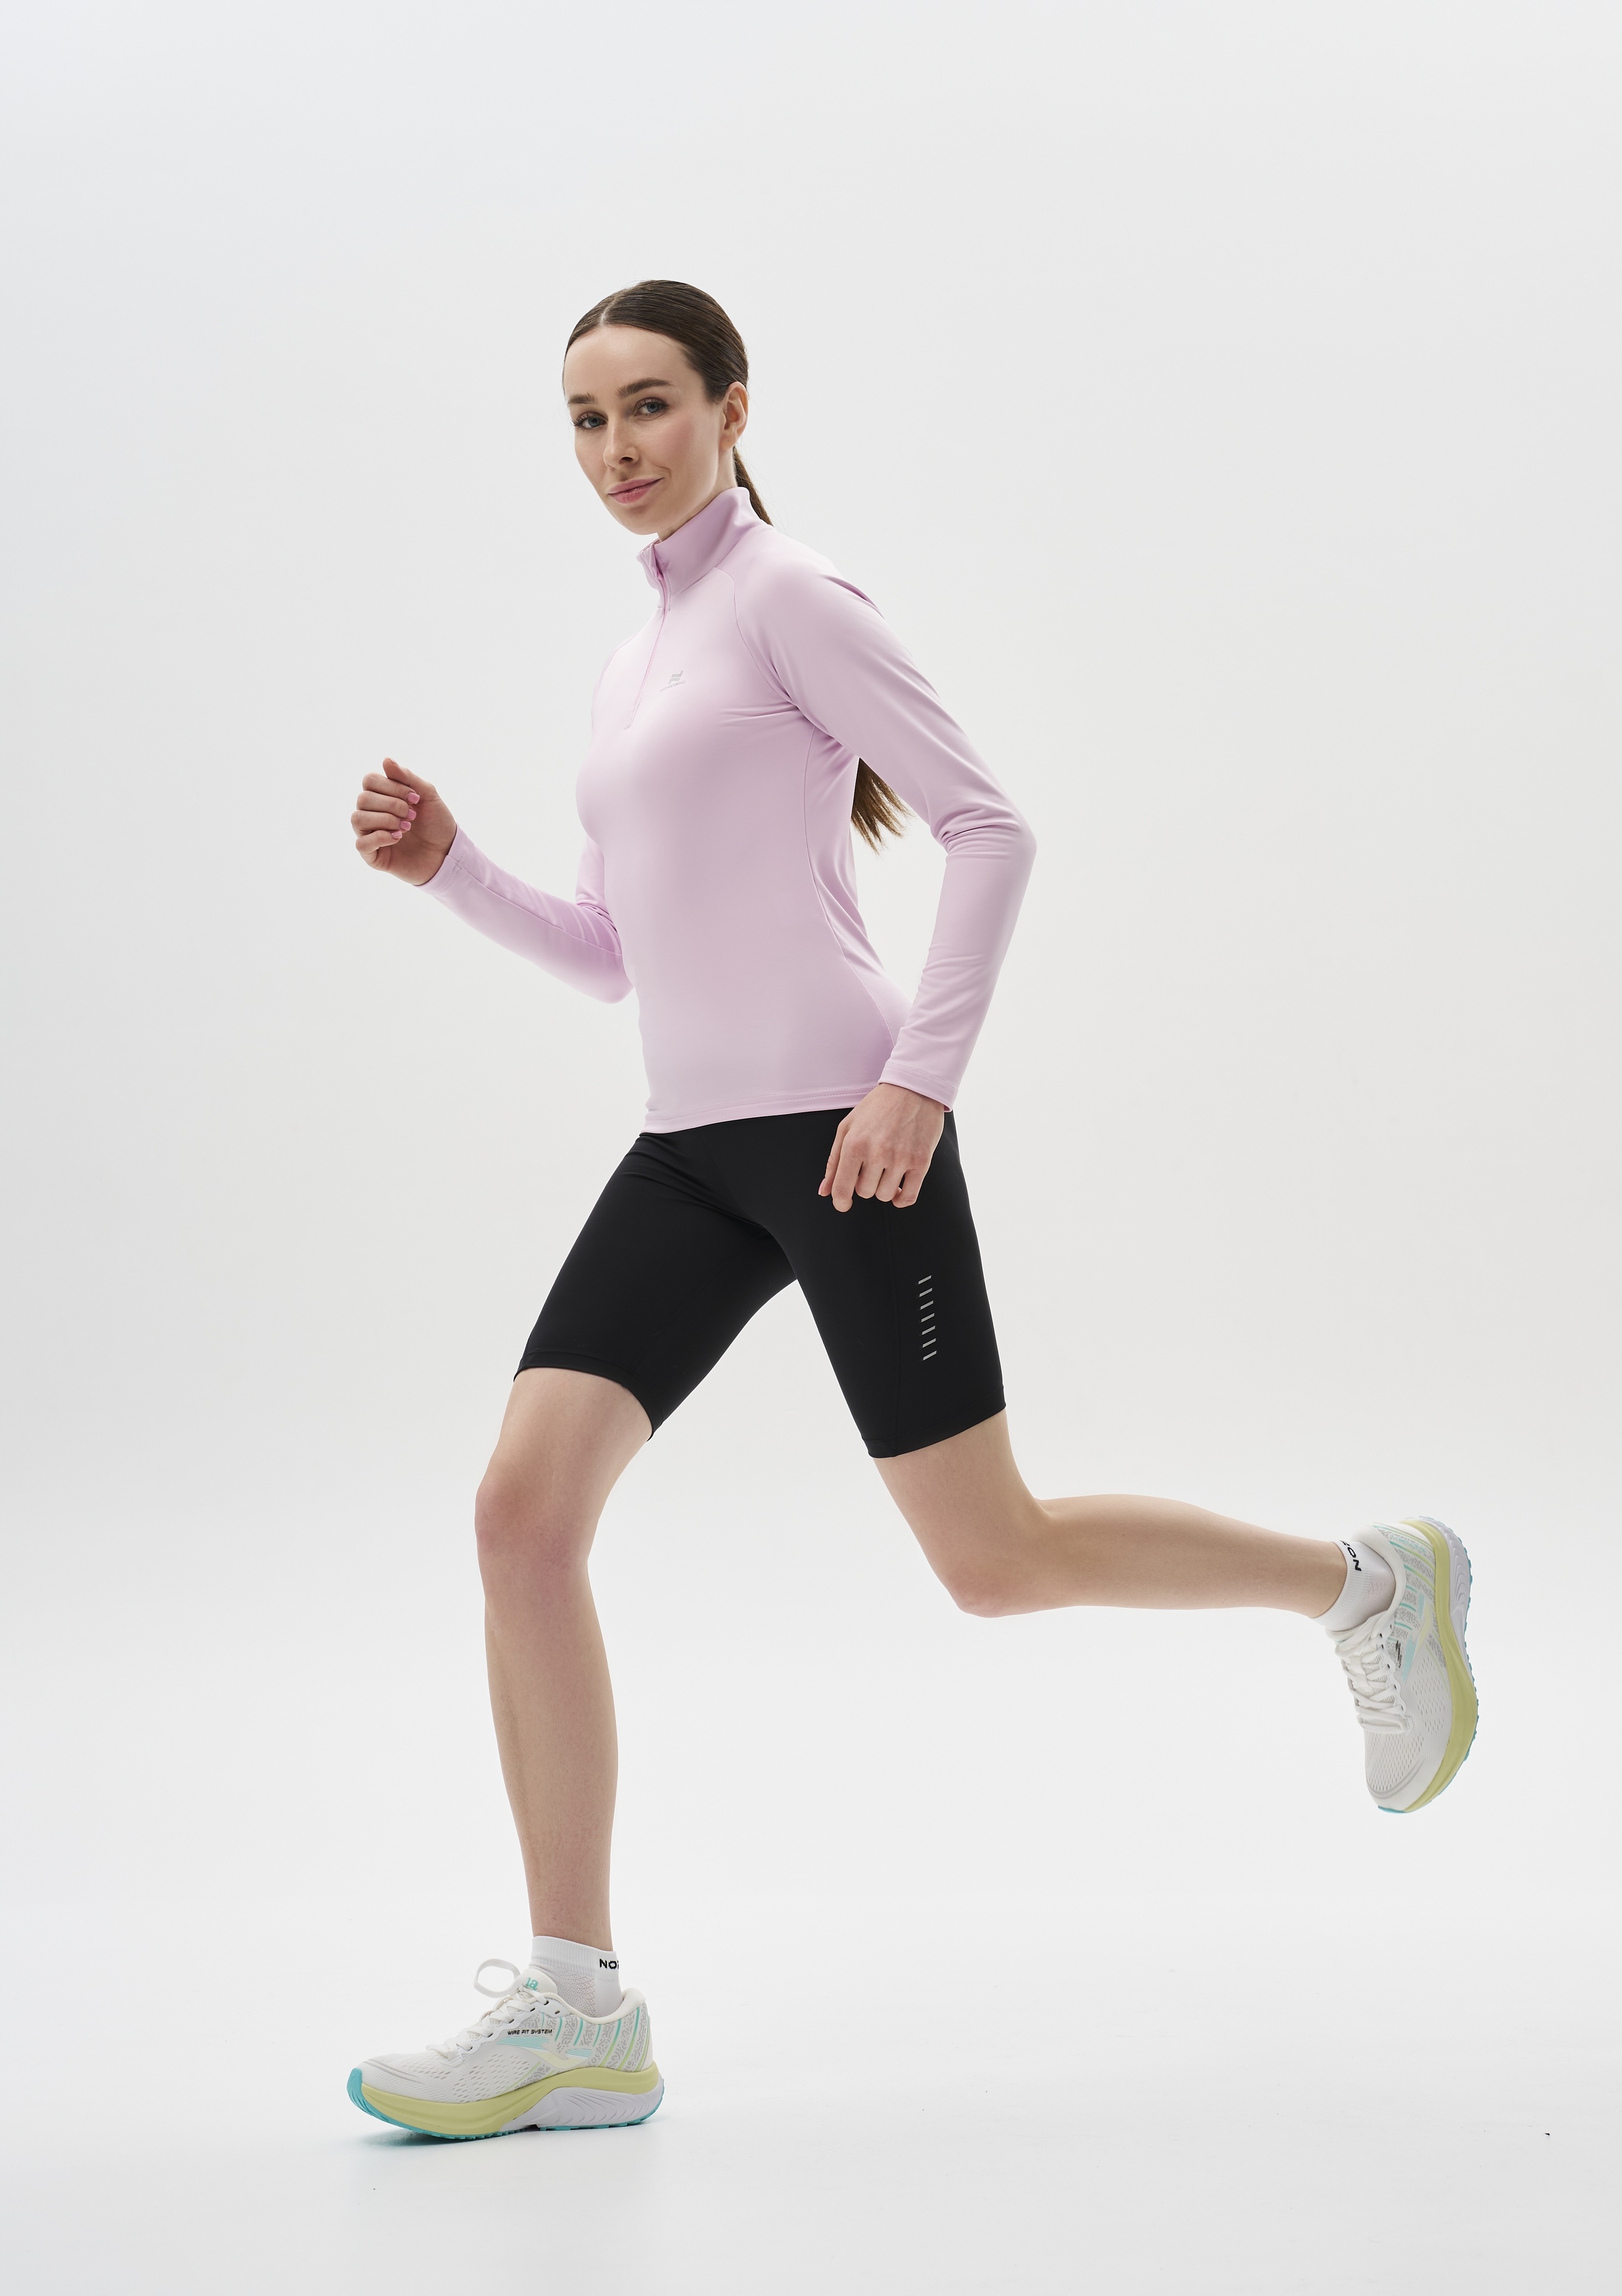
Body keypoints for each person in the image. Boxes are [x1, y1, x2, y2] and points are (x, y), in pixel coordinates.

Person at [344, 280, 1477, 2141]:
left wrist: (920, 1082)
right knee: (519, 1518)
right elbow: (617, 954)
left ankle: (1368, 1583)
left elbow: (990, 826)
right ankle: (579, 2012)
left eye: (650, 406)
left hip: (848, 1133)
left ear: (731, 408)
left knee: (992, 1561)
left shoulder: (790, 595)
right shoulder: (636, 659)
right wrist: (455, 869)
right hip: (689, 1147)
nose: (617, 449)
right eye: (585, 420)